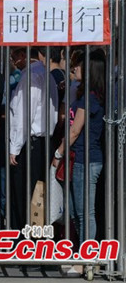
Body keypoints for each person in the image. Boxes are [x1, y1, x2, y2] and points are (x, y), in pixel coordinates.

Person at [52, 49, 106, 245]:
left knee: (84, 212)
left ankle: (86, 259)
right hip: (81, 157)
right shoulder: (86, 95)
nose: (75, 67)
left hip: (86, 158)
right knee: (76, 211)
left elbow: (74, 131)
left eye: (80, 65)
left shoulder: (90, 98)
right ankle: (82, 256)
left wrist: (58, 153)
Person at [8, 47, 58, 232]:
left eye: (14, 56)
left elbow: (23, 115)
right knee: (40, 196)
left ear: (23, 55)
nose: (13, 61)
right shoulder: (48, 75)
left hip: (31, 143)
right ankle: (38, 243)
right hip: (45, 142)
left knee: (24, 196)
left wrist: (15, 147)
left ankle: (24, 244)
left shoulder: (31, 76)